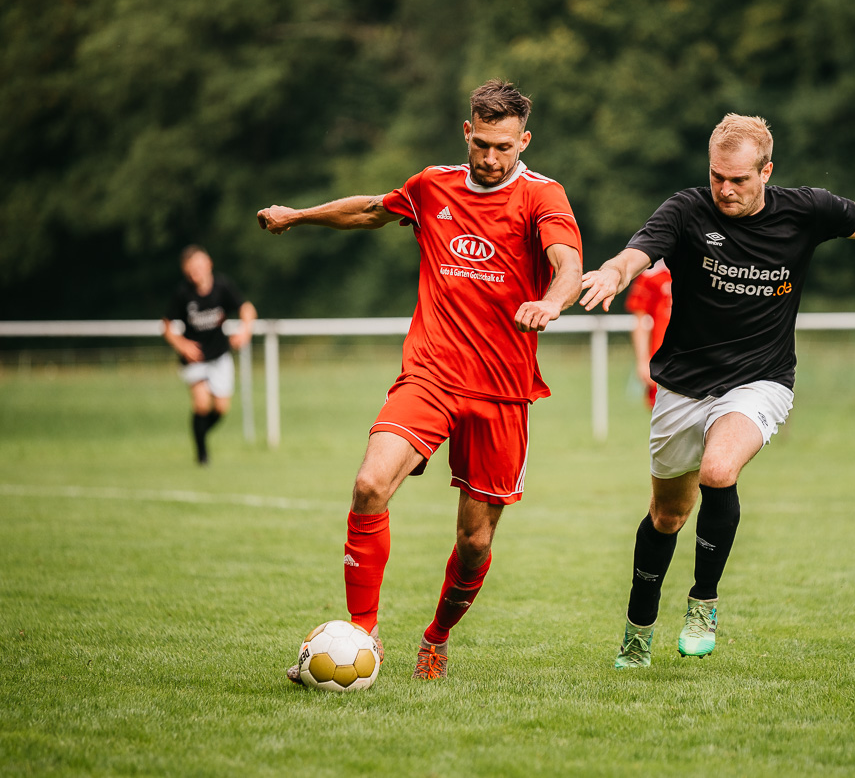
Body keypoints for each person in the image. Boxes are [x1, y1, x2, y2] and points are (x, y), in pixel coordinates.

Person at [257, 80, 583, 681]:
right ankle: (364, 633)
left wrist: (554, 301)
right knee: (368, 485)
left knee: (476, 541)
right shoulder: (432, 185)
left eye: (504, 147)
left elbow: (567, 261)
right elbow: (371, 211)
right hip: (430, 374)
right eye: (482, 143)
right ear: (467, 132)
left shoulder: (543, 196)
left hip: (502, 390)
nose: (491, 158)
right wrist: (299, 216)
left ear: (524, 141)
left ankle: (436, 636)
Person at [579, 114, 855, 668]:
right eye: (718, 176)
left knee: (720, 471)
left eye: (739, 179)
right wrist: (613, 272)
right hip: (682, 386)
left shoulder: (805, 210)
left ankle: (703, 603)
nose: (725, 189)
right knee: (667, 516)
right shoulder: (687, 210)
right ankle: (637, 631)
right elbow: (637, 254)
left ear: (767, 171)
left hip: (760, 380)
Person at [162, 245, 257, 465]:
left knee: (221, 408)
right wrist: (182, 344)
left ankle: (199, 433)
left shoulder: (222, 286)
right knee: (202, 404)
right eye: (190, 269)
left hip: (219, 355)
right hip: (194, 358)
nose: (195, 272)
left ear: (208, 264)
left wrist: (245, 329)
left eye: (198, 266)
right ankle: (202, 455)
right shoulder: (183, 293)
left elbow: (247, 308)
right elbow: (166, 325)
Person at [624, 260, 672, 408]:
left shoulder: (707, 271)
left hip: (699, 358)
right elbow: (641, 321)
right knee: (664, 420)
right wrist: (642, 360)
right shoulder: (652, 275)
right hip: (663, 360)